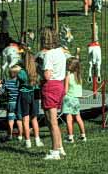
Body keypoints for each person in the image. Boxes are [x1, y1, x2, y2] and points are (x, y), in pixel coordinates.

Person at [38, 27, 66, 160]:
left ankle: (55, 151)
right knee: (53, 121)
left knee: (51, 121)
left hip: (50, 86)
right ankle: (59, 146)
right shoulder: (61, 52)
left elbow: (47, 75)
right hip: (59, 84)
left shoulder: (48, 55)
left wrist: (38, 68)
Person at [15, 52, 44, 148]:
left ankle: (28, 141)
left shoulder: (22, 72)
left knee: (25, 118)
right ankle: (37, 139)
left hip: (24, 93)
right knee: (34, 118)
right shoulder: (37, 71)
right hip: (35, 92)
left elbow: (17, 79)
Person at [62, 57, 86, 143]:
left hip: (68, 99)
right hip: (76, 100)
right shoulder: (79, 78)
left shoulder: (68, 76)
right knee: (78, 117)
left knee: (69, 119)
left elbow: (65, 90)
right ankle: (83, 136)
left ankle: (70, 138)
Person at [0, 70, 23, 142]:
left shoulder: (8, 82)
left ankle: (10, 135)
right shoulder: (21, 83)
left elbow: (0, 92)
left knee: (10, 120)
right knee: (19, 120)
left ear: (10, 74)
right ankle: (20, 136)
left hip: (11, 103)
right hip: (19, 103)